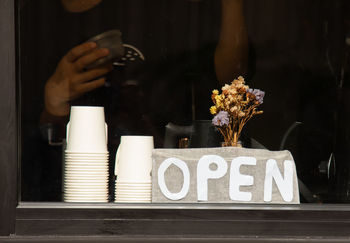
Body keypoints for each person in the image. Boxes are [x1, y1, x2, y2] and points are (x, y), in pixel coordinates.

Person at [41, 0, 249, 148]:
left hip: (169, 163)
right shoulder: (30, 18)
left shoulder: (179, 13)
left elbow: (230, 79)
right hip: (81, 179)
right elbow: (30, 139)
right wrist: (54, 103)